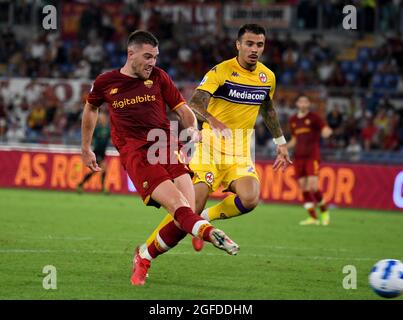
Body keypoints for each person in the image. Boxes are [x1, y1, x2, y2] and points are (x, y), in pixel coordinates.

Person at [81, 30, 239, 286]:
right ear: (130, 53)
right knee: (180, 208)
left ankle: (144, 256)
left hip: (168, 147)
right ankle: (209, 232)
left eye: (155, 57)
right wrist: (86, 147)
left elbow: (182, 110)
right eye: (147, 57)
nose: (152, 62)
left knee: (186, 214)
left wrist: (192, 130)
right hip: (139, 155)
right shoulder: (106, 82)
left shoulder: (159, 77)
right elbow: (91, 108)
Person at [138, 24, 292, 261]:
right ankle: (146, 252)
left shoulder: (267, 77)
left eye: (259, 45)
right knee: (190, 207)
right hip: (209, 148)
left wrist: (280, 142)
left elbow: (268, 109)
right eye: (249, 44)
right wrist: (213, 120)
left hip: (240, 152)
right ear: (238, 45)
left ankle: (205, 220)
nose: (254, 49)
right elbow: (195, 103)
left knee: (250, 198)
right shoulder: (220, 71)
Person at [286, 94, 332, 226]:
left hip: (312, 156)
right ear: (297, 104)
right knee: (303, 187)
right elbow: (294, 139)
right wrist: (283, 147)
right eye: (300, 101)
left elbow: (325, 129)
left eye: (305, 101)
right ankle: (313, 217)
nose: (303, 103)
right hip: (298, 157)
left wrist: (327, 132)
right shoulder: (293, 120)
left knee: (313, 186)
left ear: (308, 104)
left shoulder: (314, 117)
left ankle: (324, 213)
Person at [77, 112, 110, 193]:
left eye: (104, 118)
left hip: (103, 152)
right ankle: (102, 188)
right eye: (101, 119)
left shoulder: (108, 129)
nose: (103, 120)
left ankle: (81, 184)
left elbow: (110, 138)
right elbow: (91, 138)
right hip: (97, 152)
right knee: (103, 168)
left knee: (95, 171)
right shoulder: (97, 129)